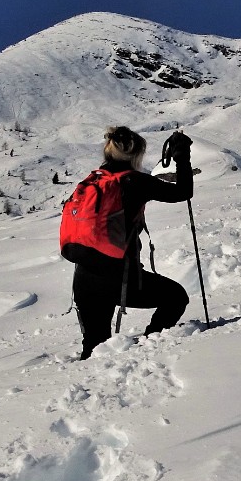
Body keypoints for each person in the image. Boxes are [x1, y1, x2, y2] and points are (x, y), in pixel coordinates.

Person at [65, 126, 194, 359]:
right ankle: (151, 347)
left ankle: (87, 391)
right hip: (120, 277)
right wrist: (182, 154)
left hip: (84, 278)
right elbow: (183, 192)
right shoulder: (134, 181)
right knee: (175, 298)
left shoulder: (93, 180)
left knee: (94, 350)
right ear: (135, 155)